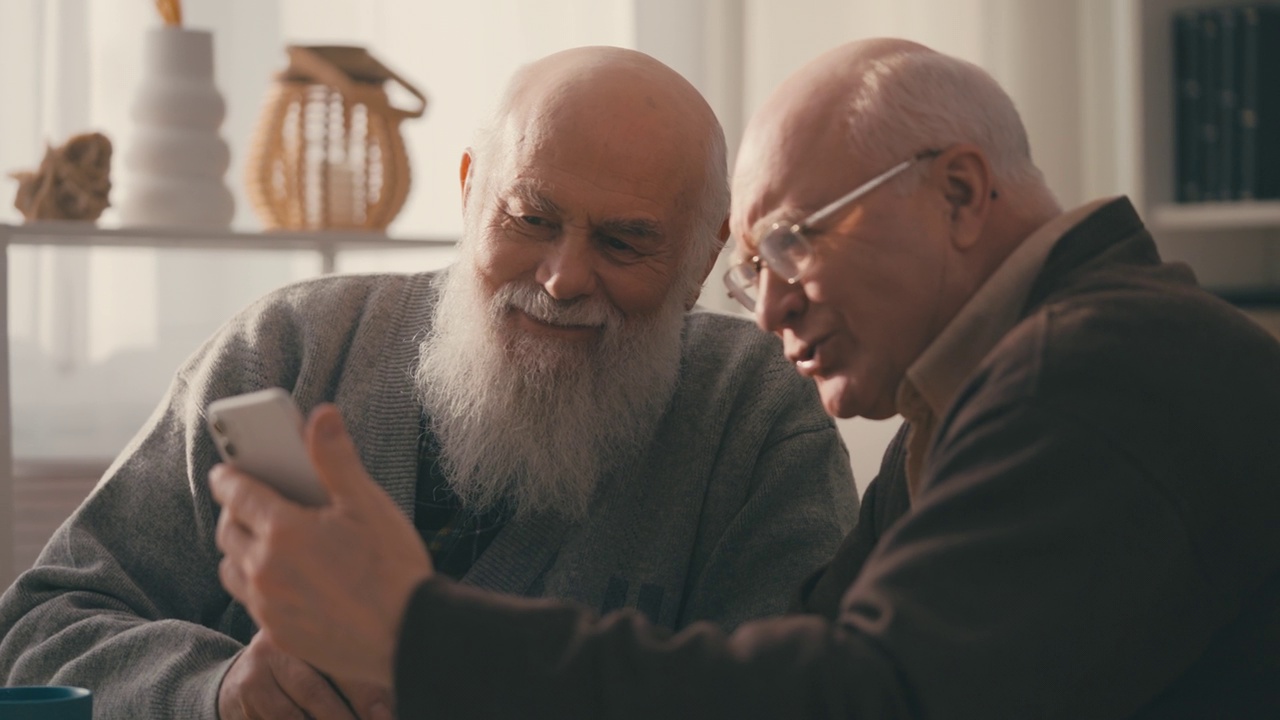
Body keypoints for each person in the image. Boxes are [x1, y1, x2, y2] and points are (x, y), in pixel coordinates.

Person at [211, 37, 1280, 718]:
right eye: (749, 268)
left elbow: (858, 701)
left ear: (958, 193)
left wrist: (413, 632)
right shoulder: (963, 400)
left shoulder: (1100, 368)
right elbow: (799, 662)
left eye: (791, 244)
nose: (764, 309)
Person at [0, 47, 859, 719]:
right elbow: (36, 636)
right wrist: (213, 692)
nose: (563, 278)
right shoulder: (286, 348)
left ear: (704, 256)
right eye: (531, 218)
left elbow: (803, 705)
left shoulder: (755, 418)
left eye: (624, 242)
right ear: (467, 191)